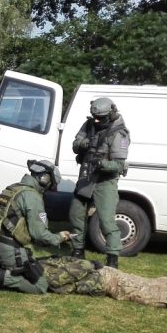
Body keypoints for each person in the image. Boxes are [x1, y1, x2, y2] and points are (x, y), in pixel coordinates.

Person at [0, 159, 73, 294]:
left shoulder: (13, 188)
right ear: (45, 179)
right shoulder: (32, 197)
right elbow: (39, 234)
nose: (49, 189)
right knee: (41, 286)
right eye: (51, 185)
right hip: (11, 250)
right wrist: (59, 238)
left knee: (33, 266)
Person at [41, 257, 167, 319]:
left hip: (111, 282)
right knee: (158, 284)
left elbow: (71, 272)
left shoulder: (45, 271)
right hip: (110, 279)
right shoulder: (45, 265)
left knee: (157, 296)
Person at [69, 97, 130, 267]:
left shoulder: (119, 133)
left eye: (100, 118)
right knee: (76, 214)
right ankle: (77, 251)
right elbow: (75, 144)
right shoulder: (89, 125)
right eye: (95, 117)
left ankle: (112, 259)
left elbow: (118, 165)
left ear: (110, 114)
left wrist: (102, 163)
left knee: (107, 221)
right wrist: (85, 143)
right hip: (86, 177)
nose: (97, 121)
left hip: (105, 181)